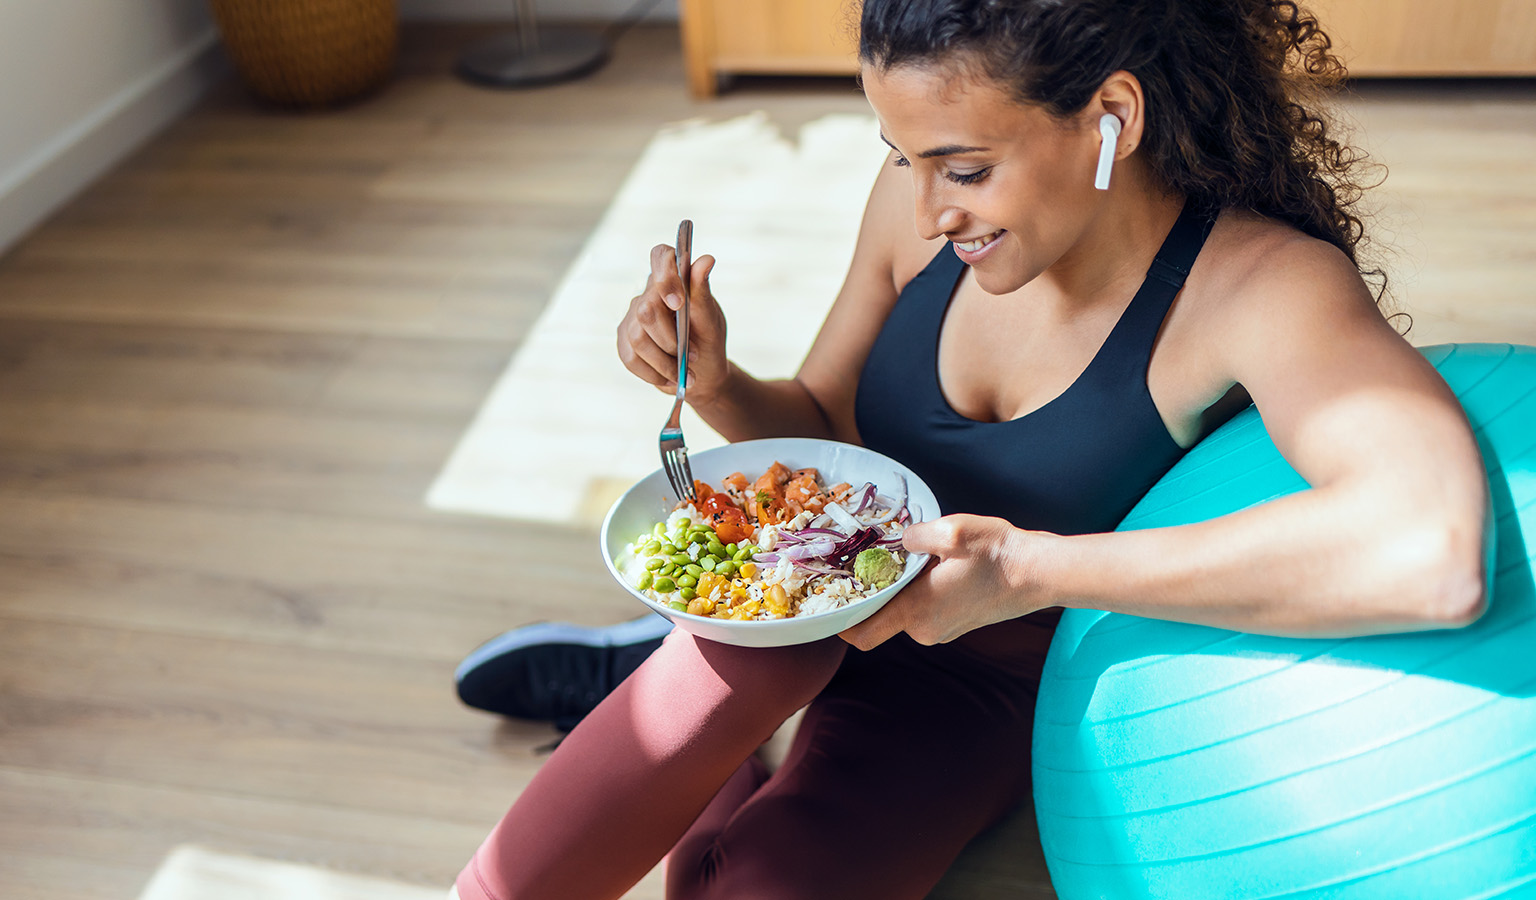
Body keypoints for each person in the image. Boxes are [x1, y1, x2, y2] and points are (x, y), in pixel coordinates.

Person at [450, 1, 1490, 897]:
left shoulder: (1259, 290)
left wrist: (1024, 571)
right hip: (811, 595)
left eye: (964, 168)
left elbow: (1428, 555)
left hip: (984, 680)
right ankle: (665, 691)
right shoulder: (923, 216)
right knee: (717, 684)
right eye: (900, 159)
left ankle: (640, 676)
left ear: (1110, 118)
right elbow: (827, 432)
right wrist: (715, 382)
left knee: (740, 883)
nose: (925, 210)